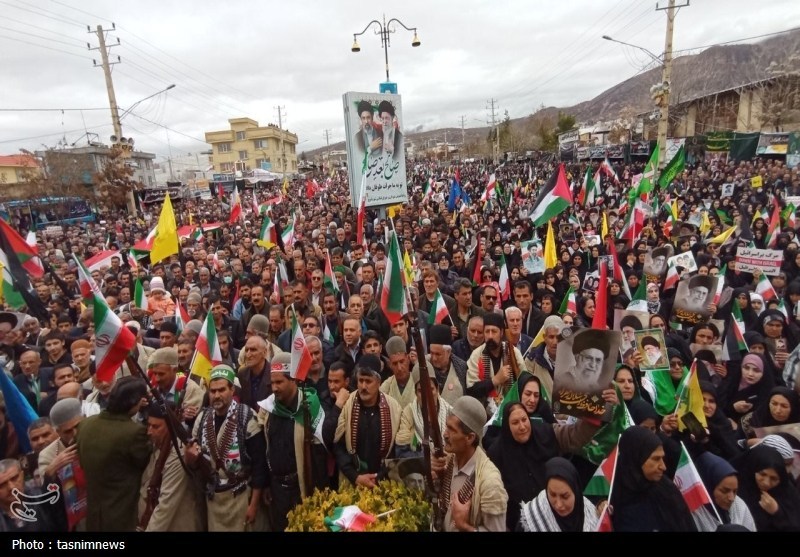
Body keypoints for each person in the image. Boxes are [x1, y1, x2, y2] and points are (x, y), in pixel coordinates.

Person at [187, 365, 266, 531]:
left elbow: (259, 465)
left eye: (221, 390)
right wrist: (191, 458)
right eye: (212, 391)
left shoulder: (247, 416)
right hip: (213, 498)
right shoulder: (202, 418)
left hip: (240, 497)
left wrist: (253, 505)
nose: (216, 395)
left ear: (232, 390)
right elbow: (193, 458)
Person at [257, 353, 328, 531]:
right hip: (276, 490)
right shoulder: (268, 408)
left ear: (294, 380)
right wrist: (266, 484)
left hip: (301, 489)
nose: (274, 388)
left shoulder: (309, 407)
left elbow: (319, 456)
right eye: (272, 383)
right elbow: (263, 449)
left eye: (279, 382)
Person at [75, 376, 151, 531]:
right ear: (134, 402)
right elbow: (144, 463)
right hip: (121, 512)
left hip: (94, 511)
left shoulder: (85, 424)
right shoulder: (134, 432)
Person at [431, 396, 508, 532]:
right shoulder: (450, 460)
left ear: (470, 437)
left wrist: (464, 526)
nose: (445, 434)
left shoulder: (490, 483)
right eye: (446, 427)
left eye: (452, 430)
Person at [608, 426, 697, 532]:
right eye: (656, 459)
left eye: (662, 458)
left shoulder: (666, 489)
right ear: (636, 458)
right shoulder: (611, 497)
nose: (663, 467)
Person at [333, 355, 402, 488]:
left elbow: (396, 450)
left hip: (383, 483)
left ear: (378, 382)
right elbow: (338, 446)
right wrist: (355, 476)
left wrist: (378, 478)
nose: (363, 386)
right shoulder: (347, 405)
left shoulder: (393, 408)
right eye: (360, 381)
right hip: (352, 482)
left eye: (368, 381)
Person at [137, 402, 201, 532]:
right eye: (148, 425)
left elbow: (166, 506)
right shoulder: (157, 447)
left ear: (170, 427)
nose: (149, 431)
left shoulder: (177, 454)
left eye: (156, 427)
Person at [518, 456, 598, 532]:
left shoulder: (590, 512)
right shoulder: (531, 519)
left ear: (576, 492)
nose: (558, 505)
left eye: (565, 496)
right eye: (552, 495)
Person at [735, 444, 800, 532]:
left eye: (774, 479)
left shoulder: (786, 491)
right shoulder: (737, 489)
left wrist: (777, 512)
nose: (766, 483)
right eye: (762, 474)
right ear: (753, 469)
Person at [693, 451, 756, 532]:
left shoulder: (739, 505)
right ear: (708, 486)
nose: (731, 498)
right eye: (724, 491)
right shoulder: (694, 511)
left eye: (735, 491)